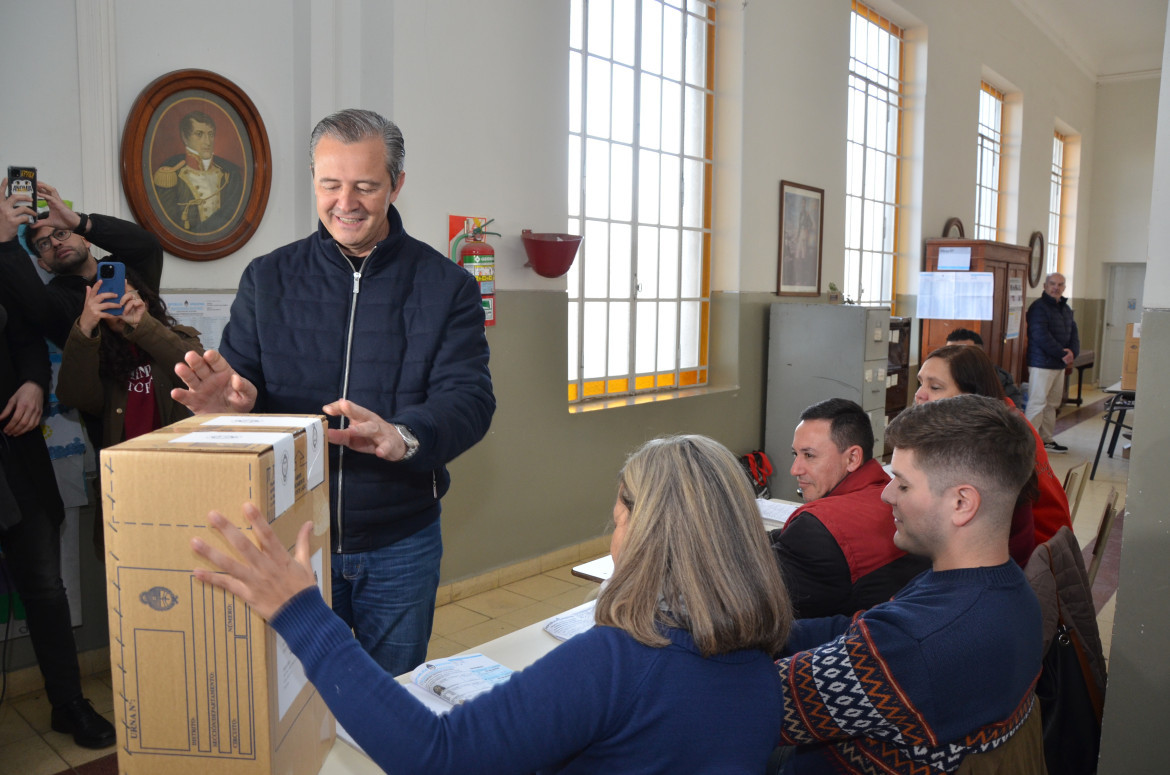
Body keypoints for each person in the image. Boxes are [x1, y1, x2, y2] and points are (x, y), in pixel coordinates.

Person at [190, 435, 794, 774]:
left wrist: (303, 614)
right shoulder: (763, 673)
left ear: (641, 532)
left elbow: (436, 756)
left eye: (615, 520)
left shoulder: (617, 661)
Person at [172, 108, 495, 676]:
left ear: (396, 184)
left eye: (366, 186)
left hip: (400, 541)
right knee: (294, 711)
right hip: (289, 541)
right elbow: (242, 386)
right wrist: (230, 409)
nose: (345, 202)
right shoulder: (268, 277)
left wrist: (404, 435)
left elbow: (469, 398)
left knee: (394, 701)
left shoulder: (447, 288)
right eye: (330, 184)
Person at [774, 395, 1043, 773]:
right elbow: (854, 628)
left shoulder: (916, 644)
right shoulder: (1000, 586)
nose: (885, 494)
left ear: (962, 503)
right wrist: (762, 633)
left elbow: (758, 704)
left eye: (902, 484)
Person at [0, 201, 115, 749]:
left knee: (45, 587)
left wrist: (30, 381)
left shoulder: (9, 265)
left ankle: (68, 704)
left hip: (15, 449)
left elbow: (25, 335)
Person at [769, 398, 929, 618]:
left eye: (809, 455)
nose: (795, 469)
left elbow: (751, 598)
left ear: (853, 458)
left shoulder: (816, 526)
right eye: (795, 454)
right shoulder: (885, 493)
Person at [916, 344, 1071, 553]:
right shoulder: (1004, 414)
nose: (920, 395)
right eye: (920, 383)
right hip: (1048, 547)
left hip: (1036, 558)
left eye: (935, 388)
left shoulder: (992, 439)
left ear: (971, 395)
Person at [0, 178, 163, 350]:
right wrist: (5, 241)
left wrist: (81, 222)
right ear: (43, 264)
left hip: (163, 371)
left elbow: (148, 246)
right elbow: (30, 297)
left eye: (61, 233)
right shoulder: (54, 300)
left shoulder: (126, 269)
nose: (55, 243)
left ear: (86, 240)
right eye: (44, 244)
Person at [56, 269, 202, 446]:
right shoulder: (94, 351)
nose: (122, 307)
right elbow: (74, 397)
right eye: (112, 302)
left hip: (173, 455)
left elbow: (199, 376)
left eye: (129, 298)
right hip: (122, 459)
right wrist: (85, 327)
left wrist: (142, 324)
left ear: (146, 302)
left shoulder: (180, 338)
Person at [153, 110, 245, 235]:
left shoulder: (230, 175)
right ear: (185, 137)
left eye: (211, 134)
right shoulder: (171, 175)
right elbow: (167, 225)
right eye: (199, 134)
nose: (207, 142)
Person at [1025, 272, 1079, 453]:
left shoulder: (1065, 308)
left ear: (1064, 287)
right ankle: (1030, 442)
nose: (1056, 288)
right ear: (1045, 286)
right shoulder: (1038, 308)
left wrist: (1073, 352)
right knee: (1037, 402)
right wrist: (1061, 353)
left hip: (1058, 364)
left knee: (1052, 404)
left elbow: (1073, 334)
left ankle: (1046, 439)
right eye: (1052, 284)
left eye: (1060, 284)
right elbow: (1040, 335)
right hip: (1041, 363)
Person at [945, 326, 1025, 409]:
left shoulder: (1003, 385)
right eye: (948, 353)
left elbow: (1012, 420)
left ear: (980, 356)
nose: (955, 360)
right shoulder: (939, 380)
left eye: (964, 355)